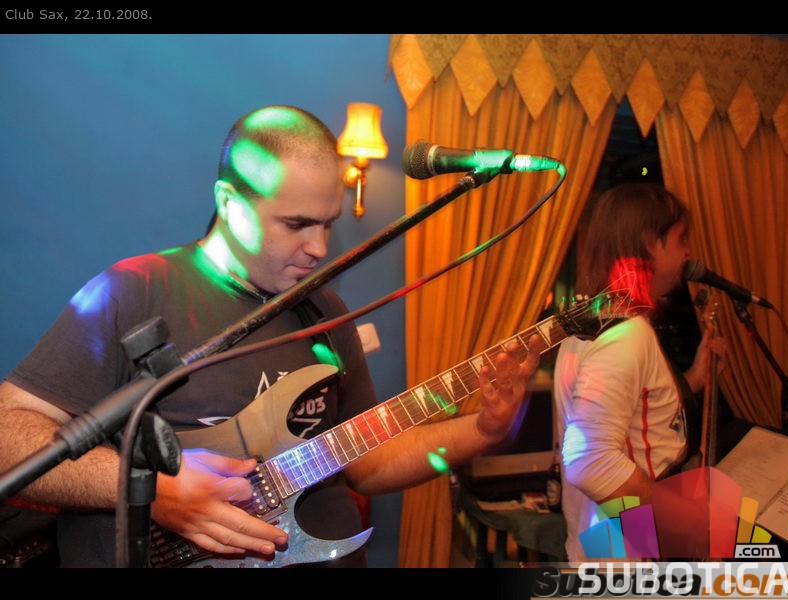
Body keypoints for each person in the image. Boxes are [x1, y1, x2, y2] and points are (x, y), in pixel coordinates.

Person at [0, 105, 540, 568]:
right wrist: (152, 490)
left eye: (328, 224)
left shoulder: (324, 310)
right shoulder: (133, 291)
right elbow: (8, 438)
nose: (319, 248)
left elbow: (369, 464)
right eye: (297, 224)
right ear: (229, 203)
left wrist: (483, 430)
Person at [552, 182, 725, 563]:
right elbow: (589, 462)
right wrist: (685, 519)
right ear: (650, 244)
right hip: (630, 560)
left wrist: (696, 376)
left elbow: (636, 417)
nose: (688, 252)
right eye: (680, 239)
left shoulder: (591, 328)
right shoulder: (626, 337)